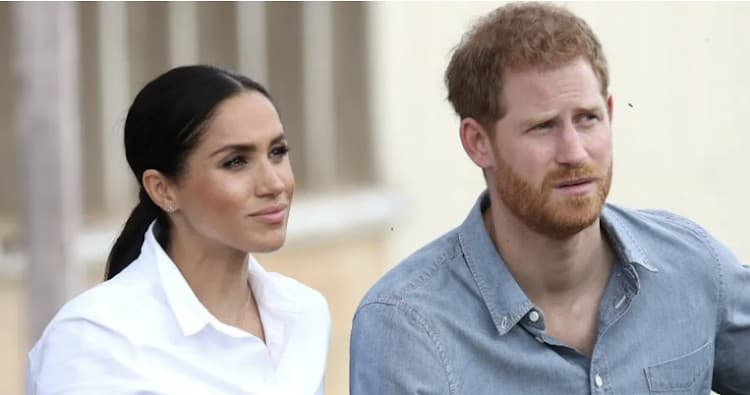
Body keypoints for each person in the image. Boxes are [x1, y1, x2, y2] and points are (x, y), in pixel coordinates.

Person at [350, 3, 749, 394]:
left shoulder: (691, 266)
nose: (574, 152)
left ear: (610, 114)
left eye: (587, 118)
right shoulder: (407, 327)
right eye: (543, 127)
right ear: (478, 143)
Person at [27, 65, 330, 394]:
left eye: (277, 152)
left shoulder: (303, 312)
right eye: (236, 162)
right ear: (162, 190)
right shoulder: (96, 339)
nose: (274, 184)